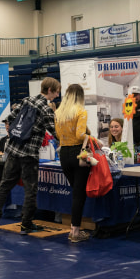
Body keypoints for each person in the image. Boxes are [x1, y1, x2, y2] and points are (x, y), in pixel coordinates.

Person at [0, 77, 60, 234]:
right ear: (49, 90)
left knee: (4, 185)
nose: (57, 95)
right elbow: (55, 132)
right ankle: (26, 224)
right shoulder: (46, 109)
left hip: (13, 150)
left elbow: (10, 119)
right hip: (29, 155)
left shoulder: (26, 100)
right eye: (56, 92)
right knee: (30, 190)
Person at [55, 84, 97, 242]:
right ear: (80, 96)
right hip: (78, 154)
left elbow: (58, 135)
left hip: (64, 154)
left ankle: (74, 229)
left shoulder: (59, 113)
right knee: (79, 195)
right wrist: (93, 138)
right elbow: (80, 135)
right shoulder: (81, 111)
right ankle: (75, 231)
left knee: (75, 192)